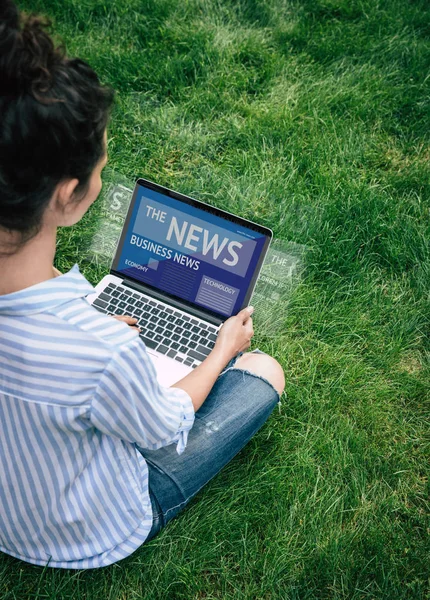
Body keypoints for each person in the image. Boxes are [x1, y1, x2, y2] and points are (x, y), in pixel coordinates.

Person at [0, 0, 285, 569]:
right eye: (102, 168)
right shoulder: (104, 351)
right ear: (67, 193)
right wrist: (223, 349)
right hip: (88, 533)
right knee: (265, 372)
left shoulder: (89, 336)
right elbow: (162, 426)